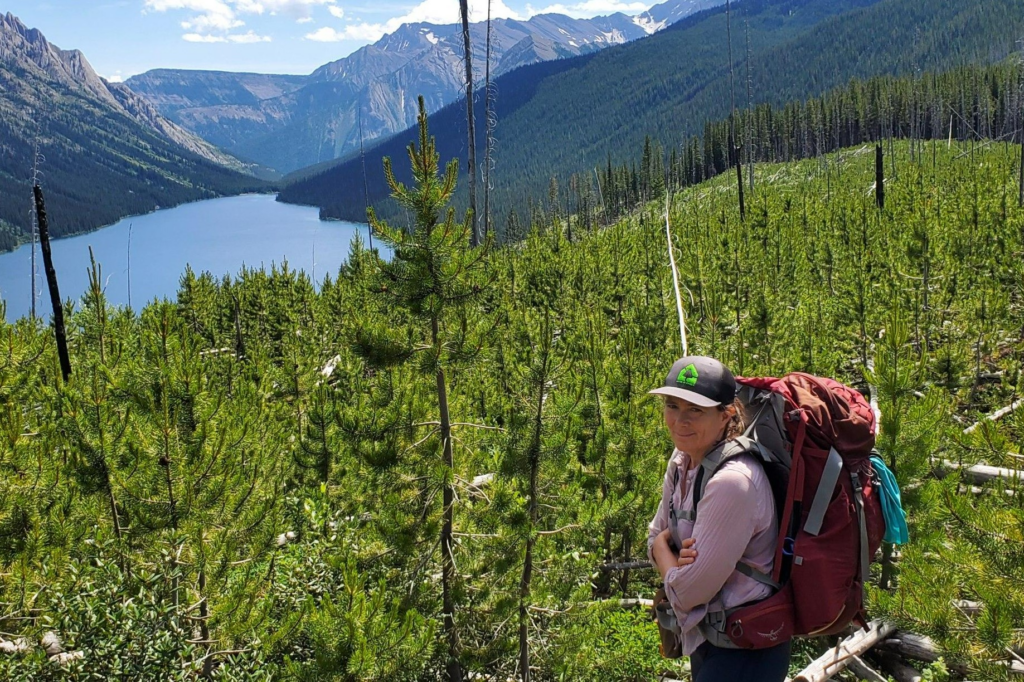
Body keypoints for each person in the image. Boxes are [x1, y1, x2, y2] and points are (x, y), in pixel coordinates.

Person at [647, 356, 791, 682]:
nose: (680, 421)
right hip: (709, 641)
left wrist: (663, 551)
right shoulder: (683, 460)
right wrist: (664, 549)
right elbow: (653, 534)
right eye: (672, 406)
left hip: (748, 652)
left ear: (725, 414)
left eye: (695, 410)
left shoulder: (734, 482)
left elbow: (687, 593)